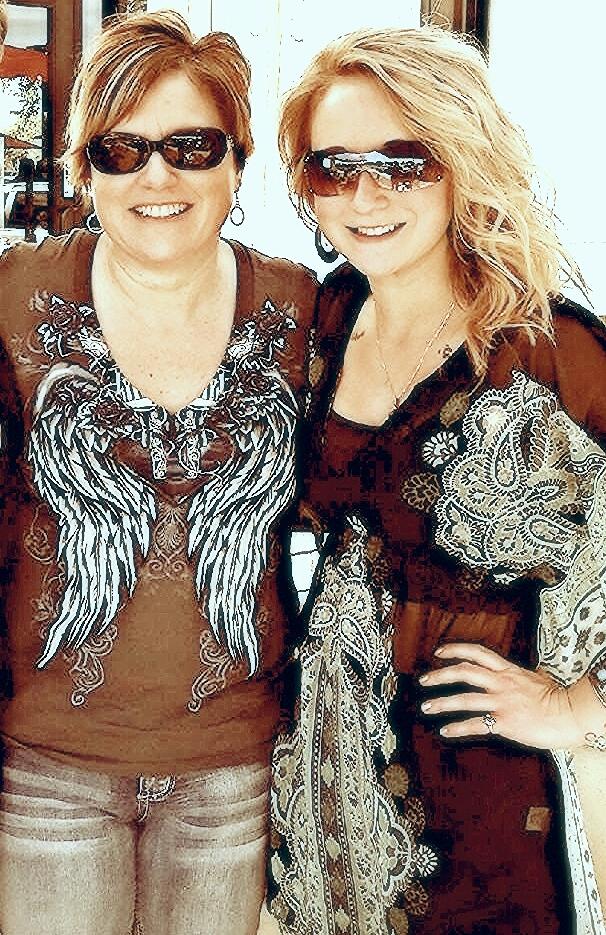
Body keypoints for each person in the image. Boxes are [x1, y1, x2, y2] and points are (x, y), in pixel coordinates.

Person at [268, 25, 606, 935]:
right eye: (335, 167)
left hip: (491, 827)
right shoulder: (324, 321)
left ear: (461, 163)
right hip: (319, 824)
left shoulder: (550, 354)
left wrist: (578, 707)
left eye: (404, 162)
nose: (366, 195)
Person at [0, 11, 316, 935]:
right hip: (50, 763)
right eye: (121, 150)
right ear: (84, 169)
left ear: (236, 162)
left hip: (230, 766)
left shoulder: (304, 308)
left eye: (190, 146)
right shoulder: (14, 295)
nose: (156, 176)